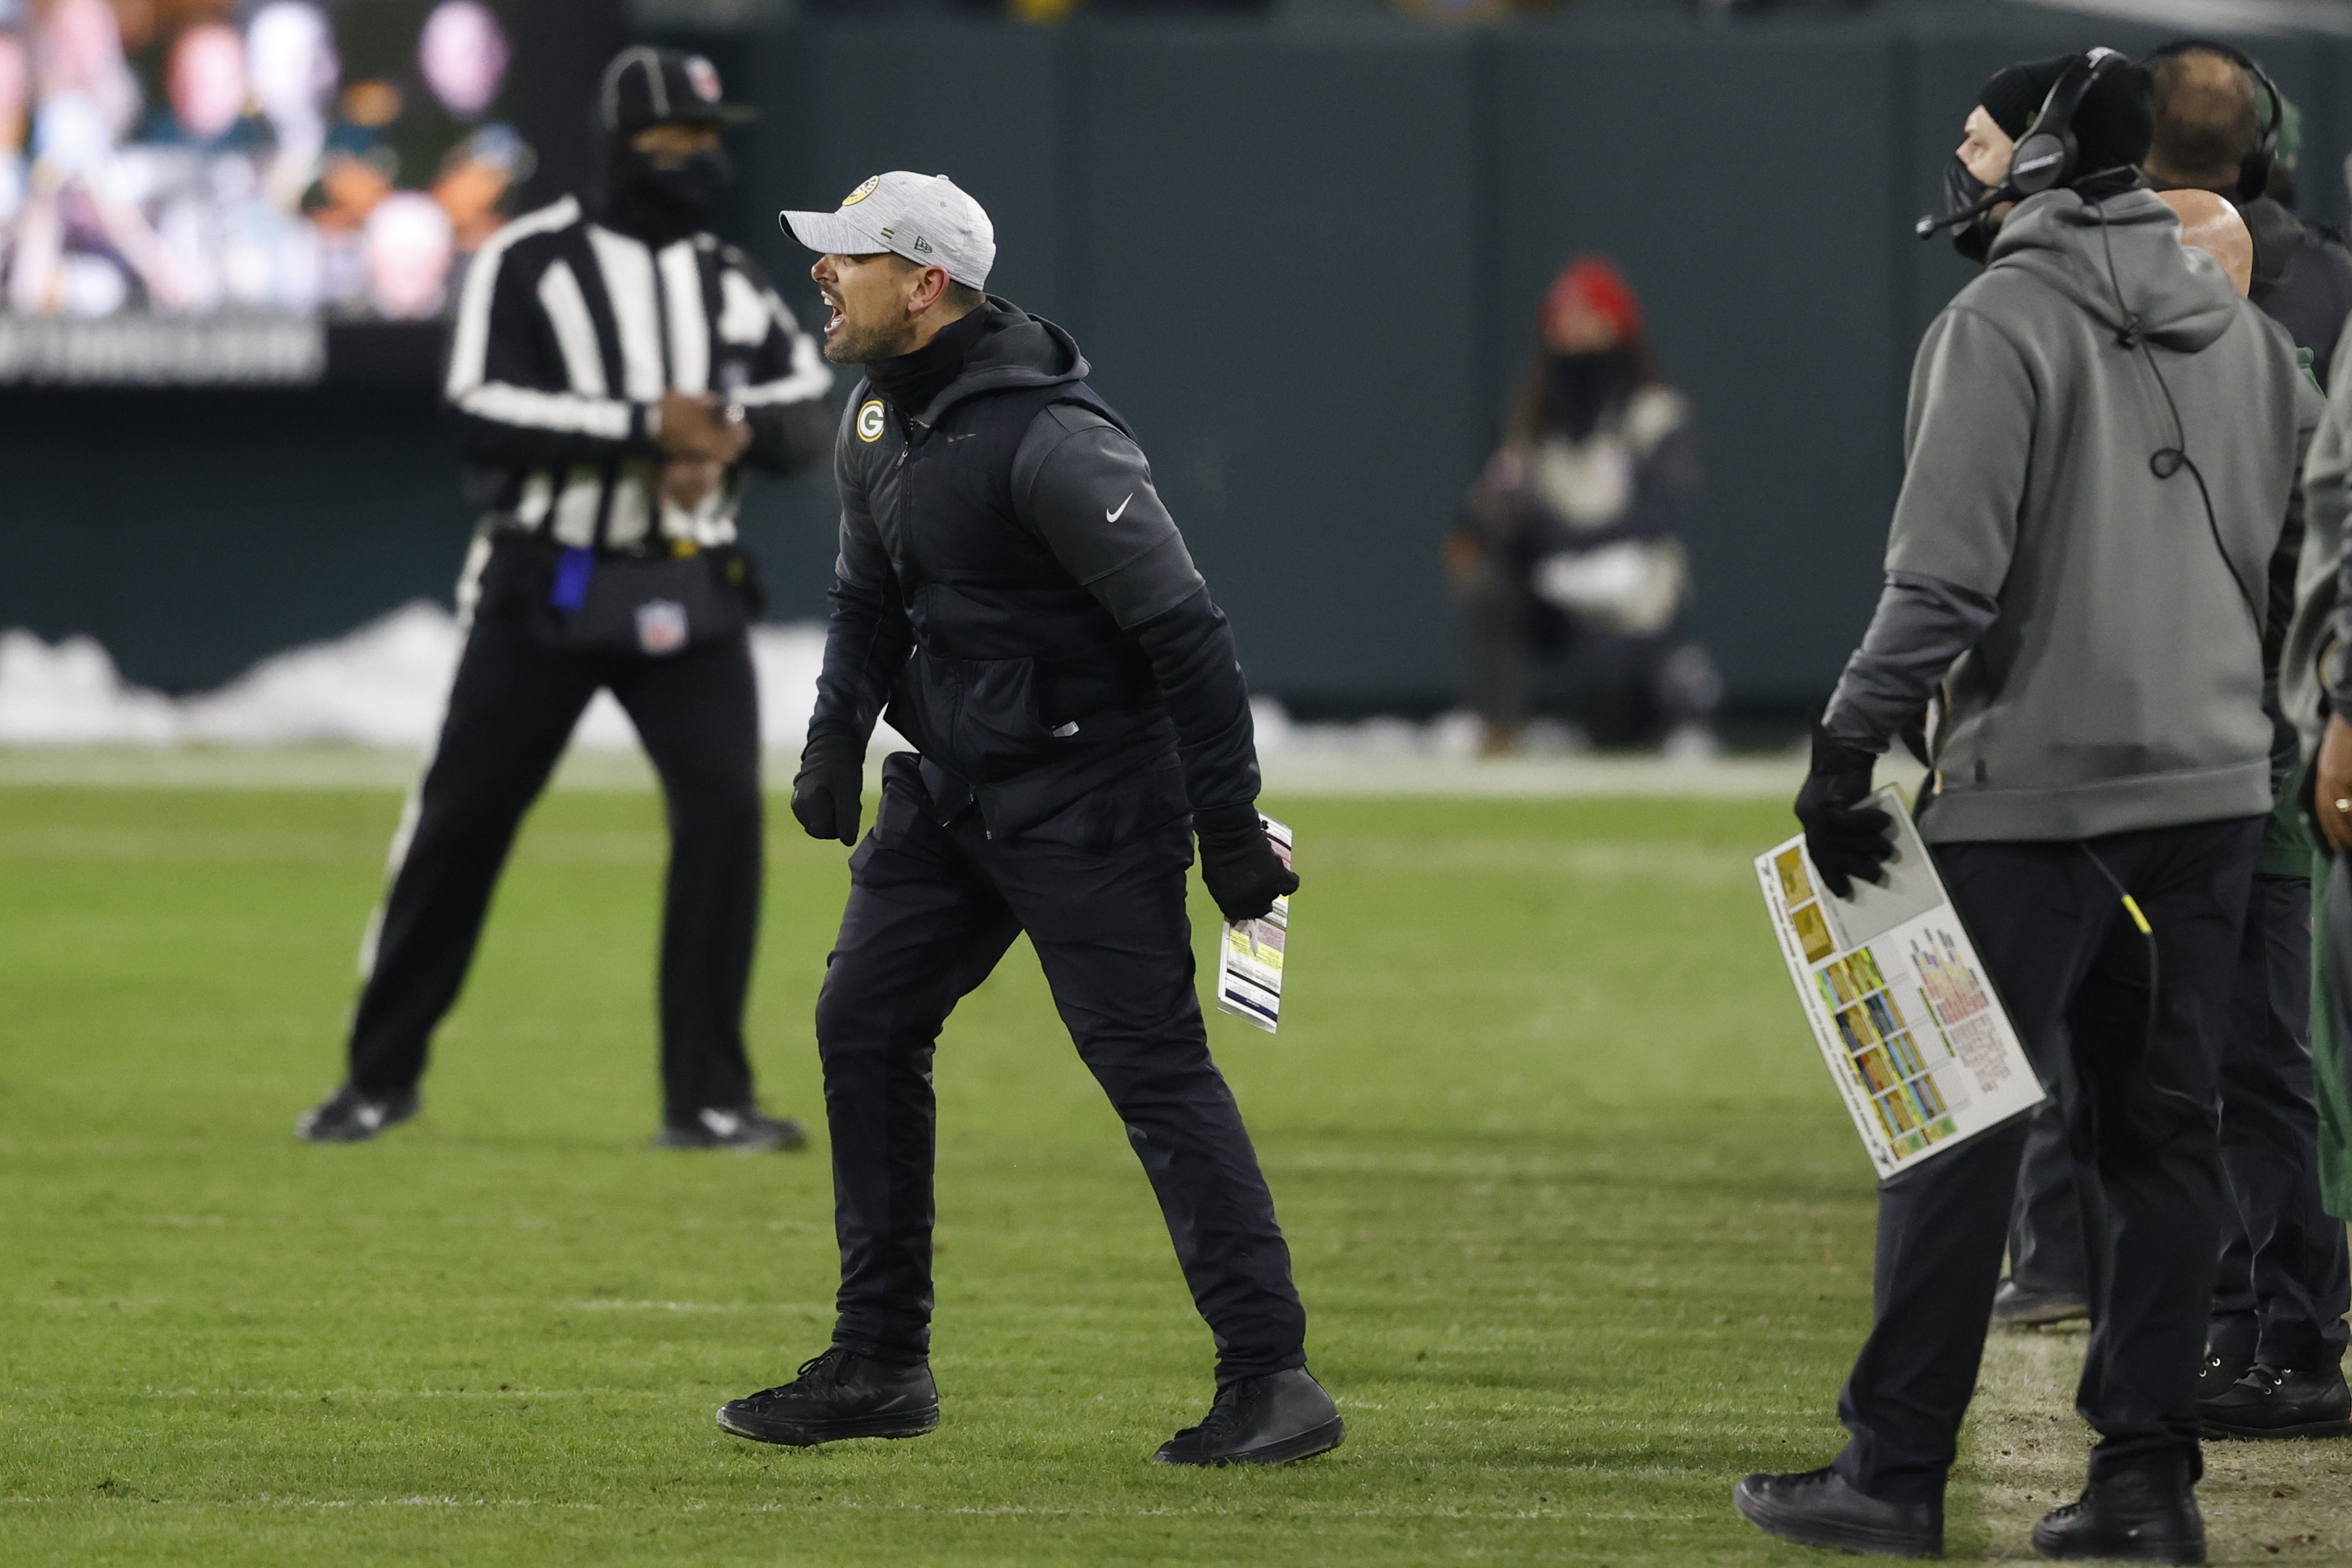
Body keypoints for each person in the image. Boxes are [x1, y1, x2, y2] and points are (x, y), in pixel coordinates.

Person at [1736, 51, 2321, 1561]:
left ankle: (1890, 1473)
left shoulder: (1995, 321)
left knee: (1951, 1125)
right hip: (2208, 791)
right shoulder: (2255, 348)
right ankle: (2142, 1485)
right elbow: (2280, 578)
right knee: (2162, 1135)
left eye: (1987, 141)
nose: (1967, 166)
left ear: (2052, 156)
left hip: (2031, 786)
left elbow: (1942, 581)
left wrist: (1843, 745)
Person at [712, 171, 1341, 1467]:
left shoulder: (1055, 439)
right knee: (862, 1020)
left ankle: (1272, 1377)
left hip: (1091, 800)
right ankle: (881, 1359)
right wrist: (835, 739)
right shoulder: (877, 416)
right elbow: (866, 603)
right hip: (950, 793)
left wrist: (1227, 828)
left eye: (849, 256)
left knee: (1152, 1070)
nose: (821, 273)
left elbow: (1189, 636)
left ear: (925, 283)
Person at [296, 47, 834, 1150]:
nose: (700, 160)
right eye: (677, 141)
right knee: (462, 822)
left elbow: (803, 401)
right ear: (623, 146)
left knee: (724, 821)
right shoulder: (527, 260)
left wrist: (721, 432)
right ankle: (377, 1076)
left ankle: (707, 1094)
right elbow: (478, 404)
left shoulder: (724, 275)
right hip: (547, 581)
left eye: (708, 139)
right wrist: (649, 429)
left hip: (691, 581)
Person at [1989, 40, 2352, 1443]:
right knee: (2210, 1050)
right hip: (2222, 741)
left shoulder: (2208, 344)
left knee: (2242, 1049)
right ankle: (2226, 1314)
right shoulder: (2300, 308)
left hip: (2230, 751)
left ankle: (2283, 1325)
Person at [1445, 256, 1718, 756]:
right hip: (1558, 576)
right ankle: (1496, 727)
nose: (1573, 334)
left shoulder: (1651, 411)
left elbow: (1666, 508)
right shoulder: (1538, 417)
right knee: (1487, 582)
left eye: (1587, 319)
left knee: (1614, 719)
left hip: (1628, 580)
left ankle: (1672, 696)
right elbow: (1498, 493)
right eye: (1563, 321)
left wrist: (1577, 538)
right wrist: (1489, 529)